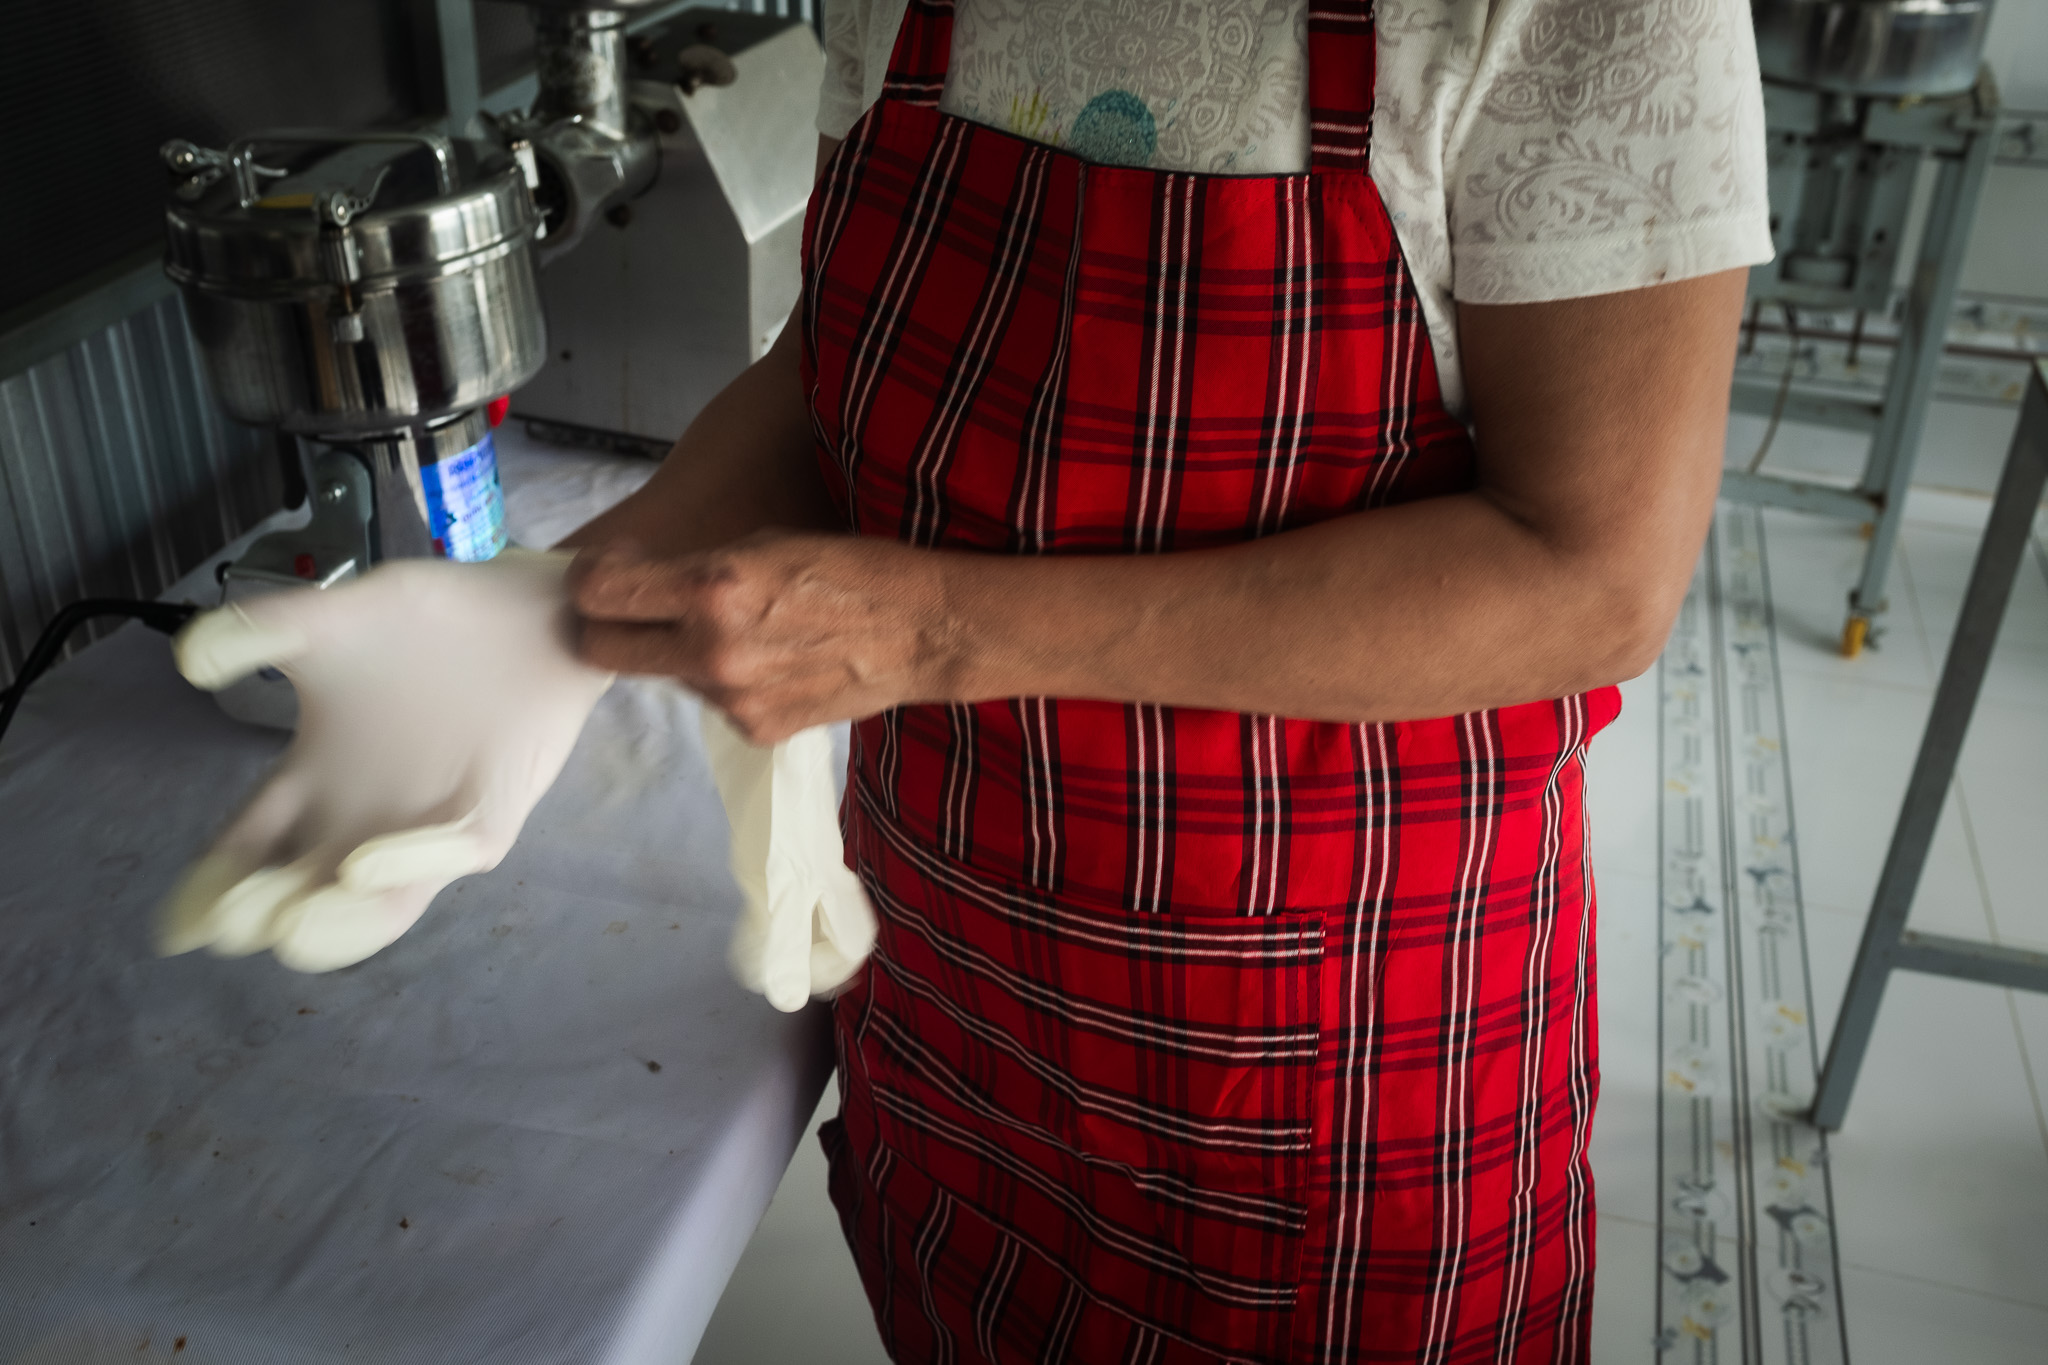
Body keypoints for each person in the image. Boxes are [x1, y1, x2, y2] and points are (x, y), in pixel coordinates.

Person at [568, 0, 1770, 1358]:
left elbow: (1592, 575)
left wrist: (940, 635)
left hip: (1329, 1032)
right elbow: (825, 369)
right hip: (951, 970)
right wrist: (553, 606)